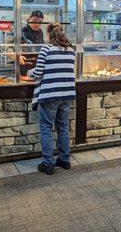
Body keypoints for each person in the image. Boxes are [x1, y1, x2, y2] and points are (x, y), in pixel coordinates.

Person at [27, 23, 76, 176]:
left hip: (50, 94)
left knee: (46, 128)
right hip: (67, 94)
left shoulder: (46, 49)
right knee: (62, 126)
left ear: (49, 35)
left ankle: (48, 164)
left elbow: (37, 73)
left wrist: (29, 72)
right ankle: (65, 159)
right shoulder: (71, 50)